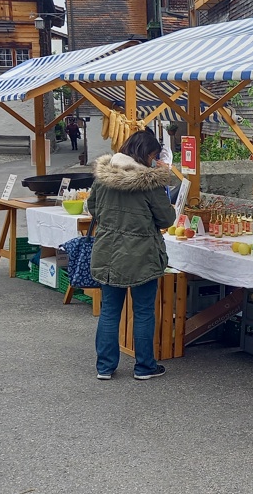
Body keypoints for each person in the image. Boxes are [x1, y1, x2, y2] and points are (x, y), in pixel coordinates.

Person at [86, 129, 175, 380]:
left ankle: (104, 367)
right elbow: (166, 218)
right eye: (154, 155)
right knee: (144, 311)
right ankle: (144, 367)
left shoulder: (103, 177)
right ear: (147, 154)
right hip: (142, 255)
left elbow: (92, 208)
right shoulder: (150, 183)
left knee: (109, 311)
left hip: (107, 252)